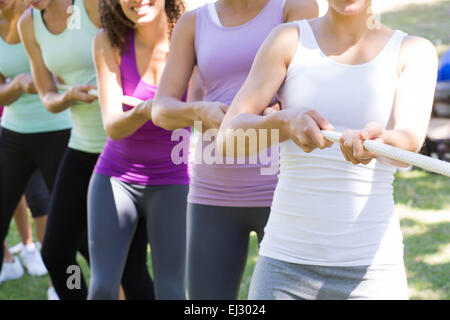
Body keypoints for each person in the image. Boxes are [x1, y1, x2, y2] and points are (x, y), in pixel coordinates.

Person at [218, 0, 438, 300]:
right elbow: (228, 139)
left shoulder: (414, 51)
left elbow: (409, 140)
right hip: (285, 263)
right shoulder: (287, 40)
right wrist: (284, 123)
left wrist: (380, 141)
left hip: (372, 271)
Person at [152, 0, 318, 299]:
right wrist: (200, 110)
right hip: (213, 193)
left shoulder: (295, 8)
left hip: (282, 191)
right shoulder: (194, 22)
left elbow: (312, 91)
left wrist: (274, 113)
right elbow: (161, 110)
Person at [19, 0, 154, 299]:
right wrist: (68, 96)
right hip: (81, 147)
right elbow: (47, 97)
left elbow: (143, 51)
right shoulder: (28, 23)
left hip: (126, 149)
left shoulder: (91, 6)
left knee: (131, 267)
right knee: (56, 252)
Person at [87, 0, 189, 300]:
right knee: (103, 288)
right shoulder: (107, 40)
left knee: (170, 290)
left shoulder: (189, 38)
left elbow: (197, 112)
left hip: (174, 179)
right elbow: (113, 125)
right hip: (115, 177)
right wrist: (146, 111)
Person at [0, 0, 71, 296]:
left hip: (58, 131)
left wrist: (45, 83)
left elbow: (70, 73)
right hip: (13, 134)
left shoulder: (40, 18)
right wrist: (17, 84)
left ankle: (67, 286)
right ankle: (11, 262)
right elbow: (2, 95)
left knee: (68, 232)